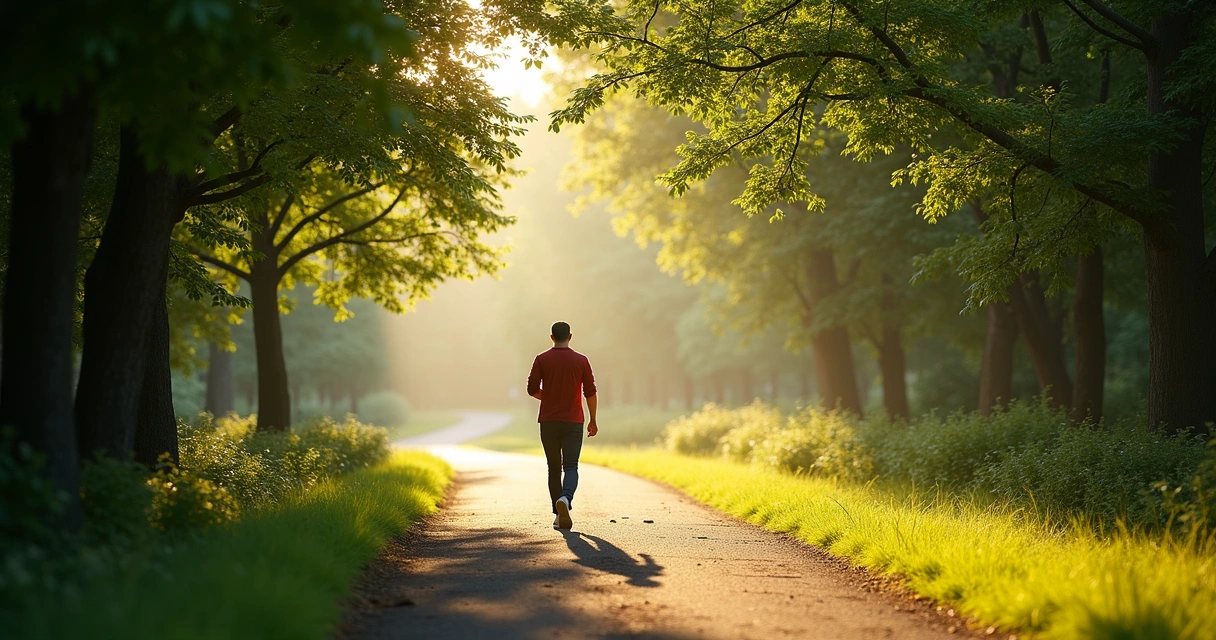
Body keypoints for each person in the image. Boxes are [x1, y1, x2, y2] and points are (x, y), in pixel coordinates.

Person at [527, 321, 597, 530]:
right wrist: (593, 419)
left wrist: (548, 398)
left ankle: (558, 515)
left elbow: (531, 388)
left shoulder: (541, 359)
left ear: (551, 337)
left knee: (554, 468)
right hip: (574, 421)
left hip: (548, 421)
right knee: (571, 466)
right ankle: (565, 499)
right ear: (570, 336)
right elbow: (590, 392)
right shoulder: (581, 360)